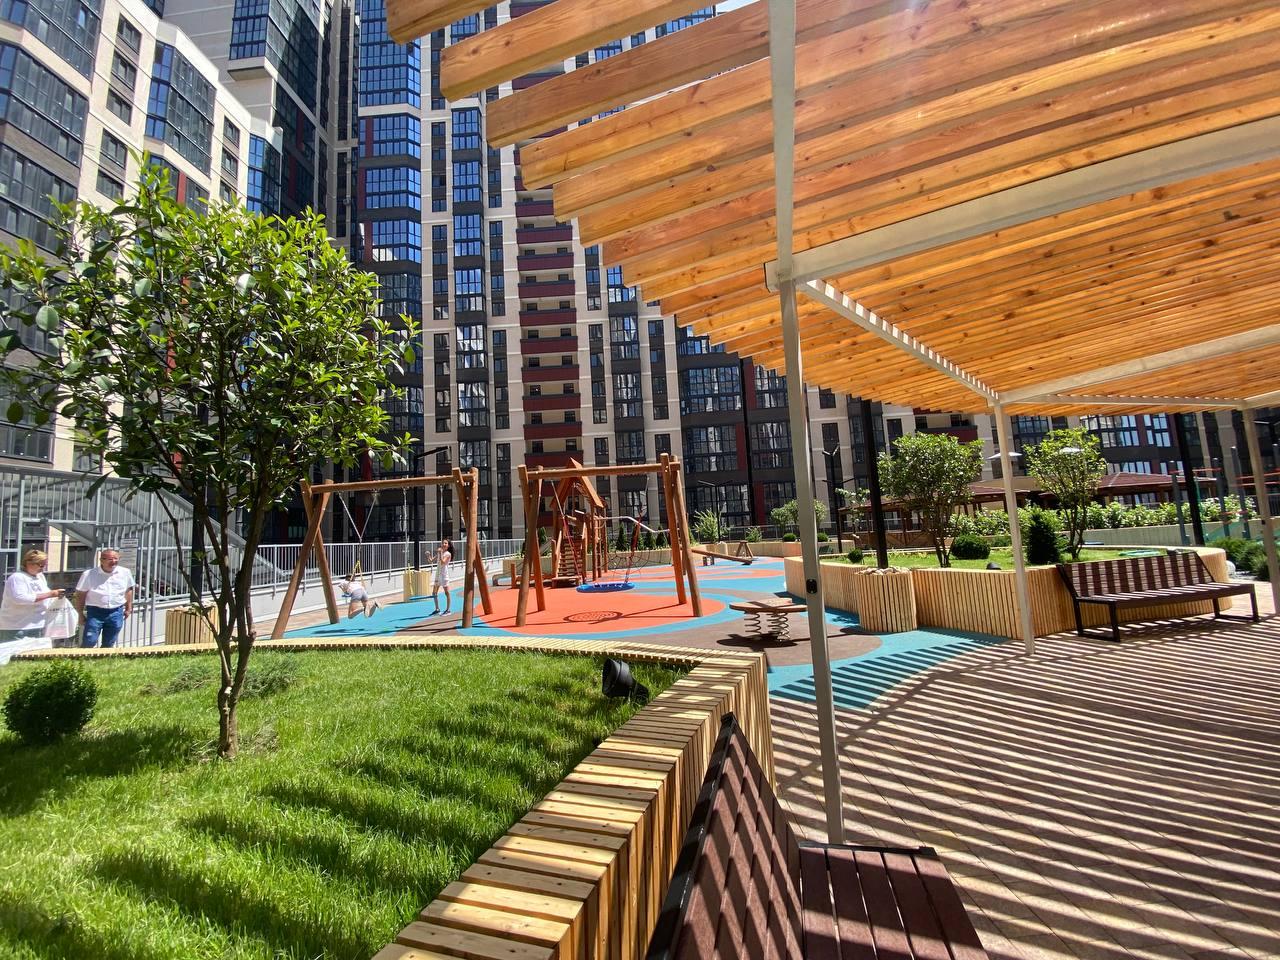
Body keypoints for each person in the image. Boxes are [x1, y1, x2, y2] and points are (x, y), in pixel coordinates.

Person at [0, 549, 61, 664]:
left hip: (37, 625)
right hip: (16, 626)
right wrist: (50, 594)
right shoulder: (17, 577)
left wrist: (56, 597)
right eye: (40, 565)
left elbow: (46, 596)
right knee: (10, 660)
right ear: (29, 563)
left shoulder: (40, 577)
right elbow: (20, 598)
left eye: (44, 565)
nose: (42, 569)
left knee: (33, 660)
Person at [73, 548, 135, 649]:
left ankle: (104, 657)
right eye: (110, 559)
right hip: (95, 612)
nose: (114, 561)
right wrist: (80, 614)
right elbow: (81, 595)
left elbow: (128, 590)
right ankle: (84, 657)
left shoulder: (125, 572)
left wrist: (129, 608)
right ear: (101, 560)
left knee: (110, 641)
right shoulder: (89, 574)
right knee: (90, 640)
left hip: (116, 612)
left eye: (116, 559)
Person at [431, 538, 452, 615]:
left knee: (447, 592)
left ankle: (448, 609)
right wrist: (428, 555)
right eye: (443, 543)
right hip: (438, 575)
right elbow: (431, 560)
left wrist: (440, 553)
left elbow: (443, 562)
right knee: (434, 592)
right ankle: (437, 609)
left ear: (448, 545)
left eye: (445, 543)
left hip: (444, 576)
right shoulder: (440, 552)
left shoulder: (448, 554)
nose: (443, 544)